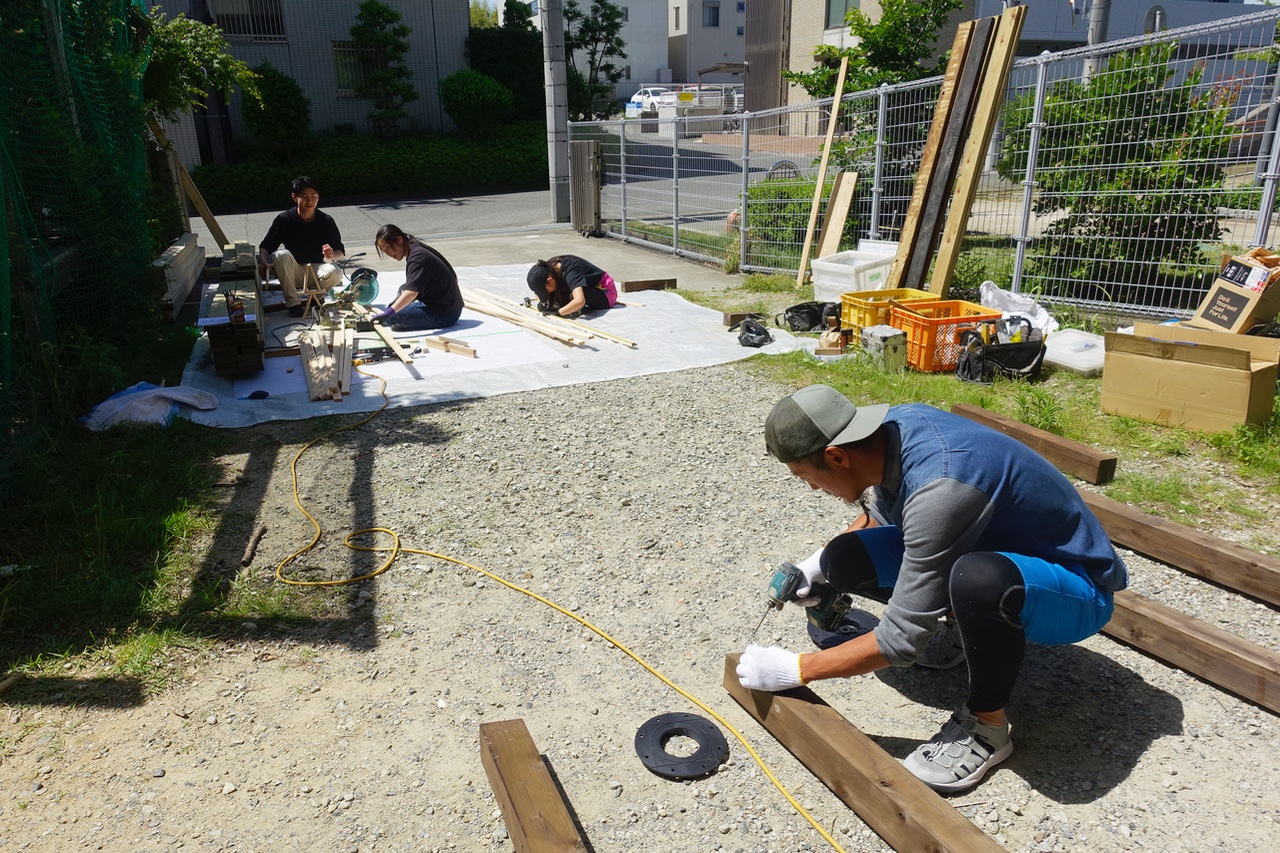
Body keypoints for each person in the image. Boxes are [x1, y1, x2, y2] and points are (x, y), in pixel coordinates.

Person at [736, 384, 1128, 793]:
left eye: (805, 476)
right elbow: (881, 514)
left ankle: (987, 727)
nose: (813, 488)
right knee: (843, 559)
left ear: (837, 456)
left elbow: (900, 642)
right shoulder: (888, 432)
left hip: (1077, 589)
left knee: (977, 580)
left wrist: (796, 670)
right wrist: (817, 566)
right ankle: (967, 628)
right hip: (992, 549)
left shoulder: (941, 486)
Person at [258, 176, 346, 317]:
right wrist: (263, 260)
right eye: (304, 197)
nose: (309, 201)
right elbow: (266, 245)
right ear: (294, 197)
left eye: (313, 196)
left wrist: (331, 255)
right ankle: (293, 304)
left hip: (316, 270)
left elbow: (340, 250)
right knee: (281, 254)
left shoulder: (326, 221)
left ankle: (316, 298)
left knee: (336, 272)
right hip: (292, 272)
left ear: (318, 197)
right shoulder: (284, 219)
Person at [371, 224, 465, 332]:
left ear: (399, 239)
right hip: (445, 304)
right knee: (402, 291)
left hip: (446, 313)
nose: (388, 253)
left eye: (388, 247)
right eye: (384, 251)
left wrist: (388, 313)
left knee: (394, 316)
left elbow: (412, 292)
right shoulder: (413, 246)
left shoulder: (417, 258)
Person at [525, 255, 618, 318]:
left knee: (578, 293)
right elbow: (539, 292)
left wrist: (558, 313)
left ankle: (577, 309)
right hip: (592, 288)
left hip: (606, 293)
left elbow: (579, 300)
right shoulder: (548, 268)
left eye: (547, 291)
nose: (548, 293)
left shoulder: (570, 272)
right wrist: (543, 303)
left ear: (550, 280)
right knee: (557, 293)